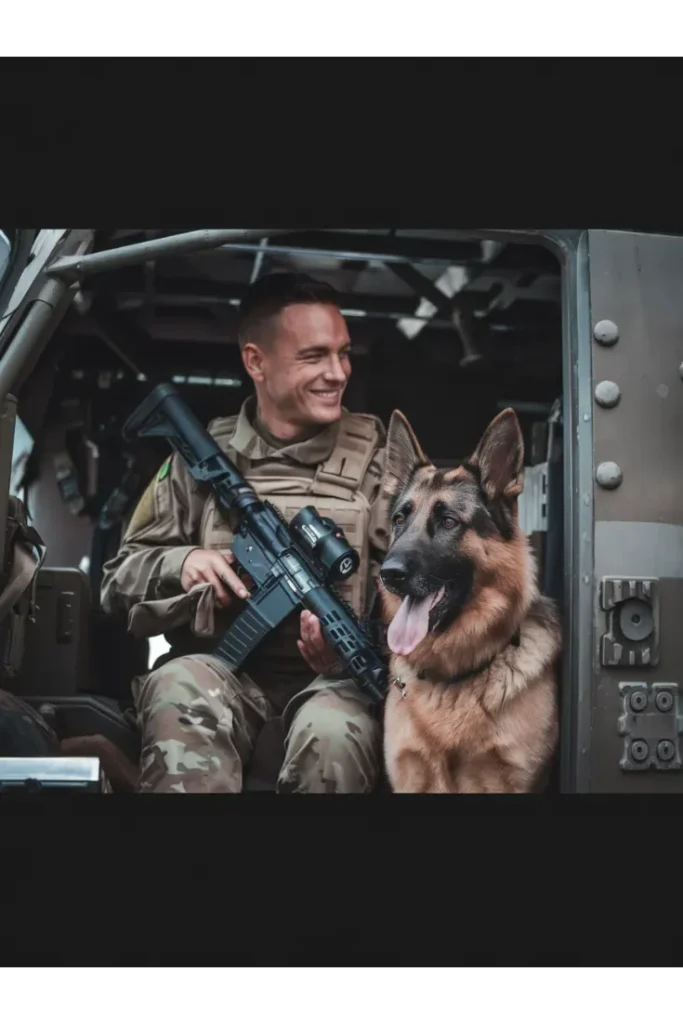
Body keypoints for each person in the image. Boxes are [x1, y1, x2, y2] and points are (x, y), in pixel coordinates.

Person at [100, 272, 399, 793]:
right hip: (223, 673)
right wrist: (182, 562)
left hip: (337, 683)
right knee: (178, 686)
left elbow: (427, 597)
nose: (337, 373)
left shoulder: (381, 466)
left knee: (334, 732)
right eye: (315, 356)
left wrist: (364, 644)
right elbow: (115, 581)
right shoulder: (199, 460)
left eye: (344, 353)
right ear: (256, 361)